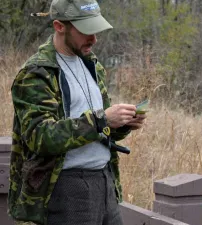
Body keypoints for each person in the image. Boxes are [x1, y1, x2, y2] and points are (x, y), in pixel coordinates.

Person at [8, 0, 146, 224]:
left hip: (105, 180)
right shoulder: (37, 73)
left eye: (96, 30)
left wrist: (122, 123)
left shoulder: (91, 64)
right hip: (67, 187)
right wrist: (101, 120)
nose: (94, 38)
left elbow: (99, 130)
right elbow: (39, 137)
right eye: (86, 31)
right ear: (59, 26)